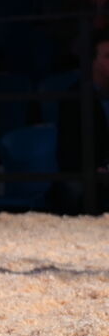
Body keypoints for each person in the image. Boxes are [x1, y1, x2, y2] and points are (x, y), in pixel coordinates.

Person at [54, 31, 109, 213]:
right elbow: (69, 153)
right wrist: (97, 170)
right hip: (88, 175)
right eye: (108, 56)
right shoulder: (75, 99)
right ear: (92, 62)